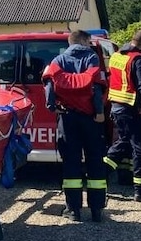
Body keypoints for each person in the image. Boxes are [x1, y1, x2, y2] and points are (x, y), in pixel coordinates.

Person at [43, 30, 107, 222]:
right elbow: (96, 87)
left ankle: (73, 210)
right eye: (89, 41)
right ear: (85, 40)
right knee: (95, 161)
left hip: (68, 117)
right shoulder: (92, 58)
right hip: (91, 118)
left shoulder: (58, 60)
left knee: (71, 163)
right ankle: (96, 211)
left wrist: (52, 107)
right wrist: (100, 112)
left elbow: (49, 85)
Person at [104, 29, 141, 202]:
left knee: (125, 143)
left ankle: (101, 173)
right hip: (133, 110)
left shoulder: (116, 56)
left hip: (117, 108)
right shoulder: (139, 60)